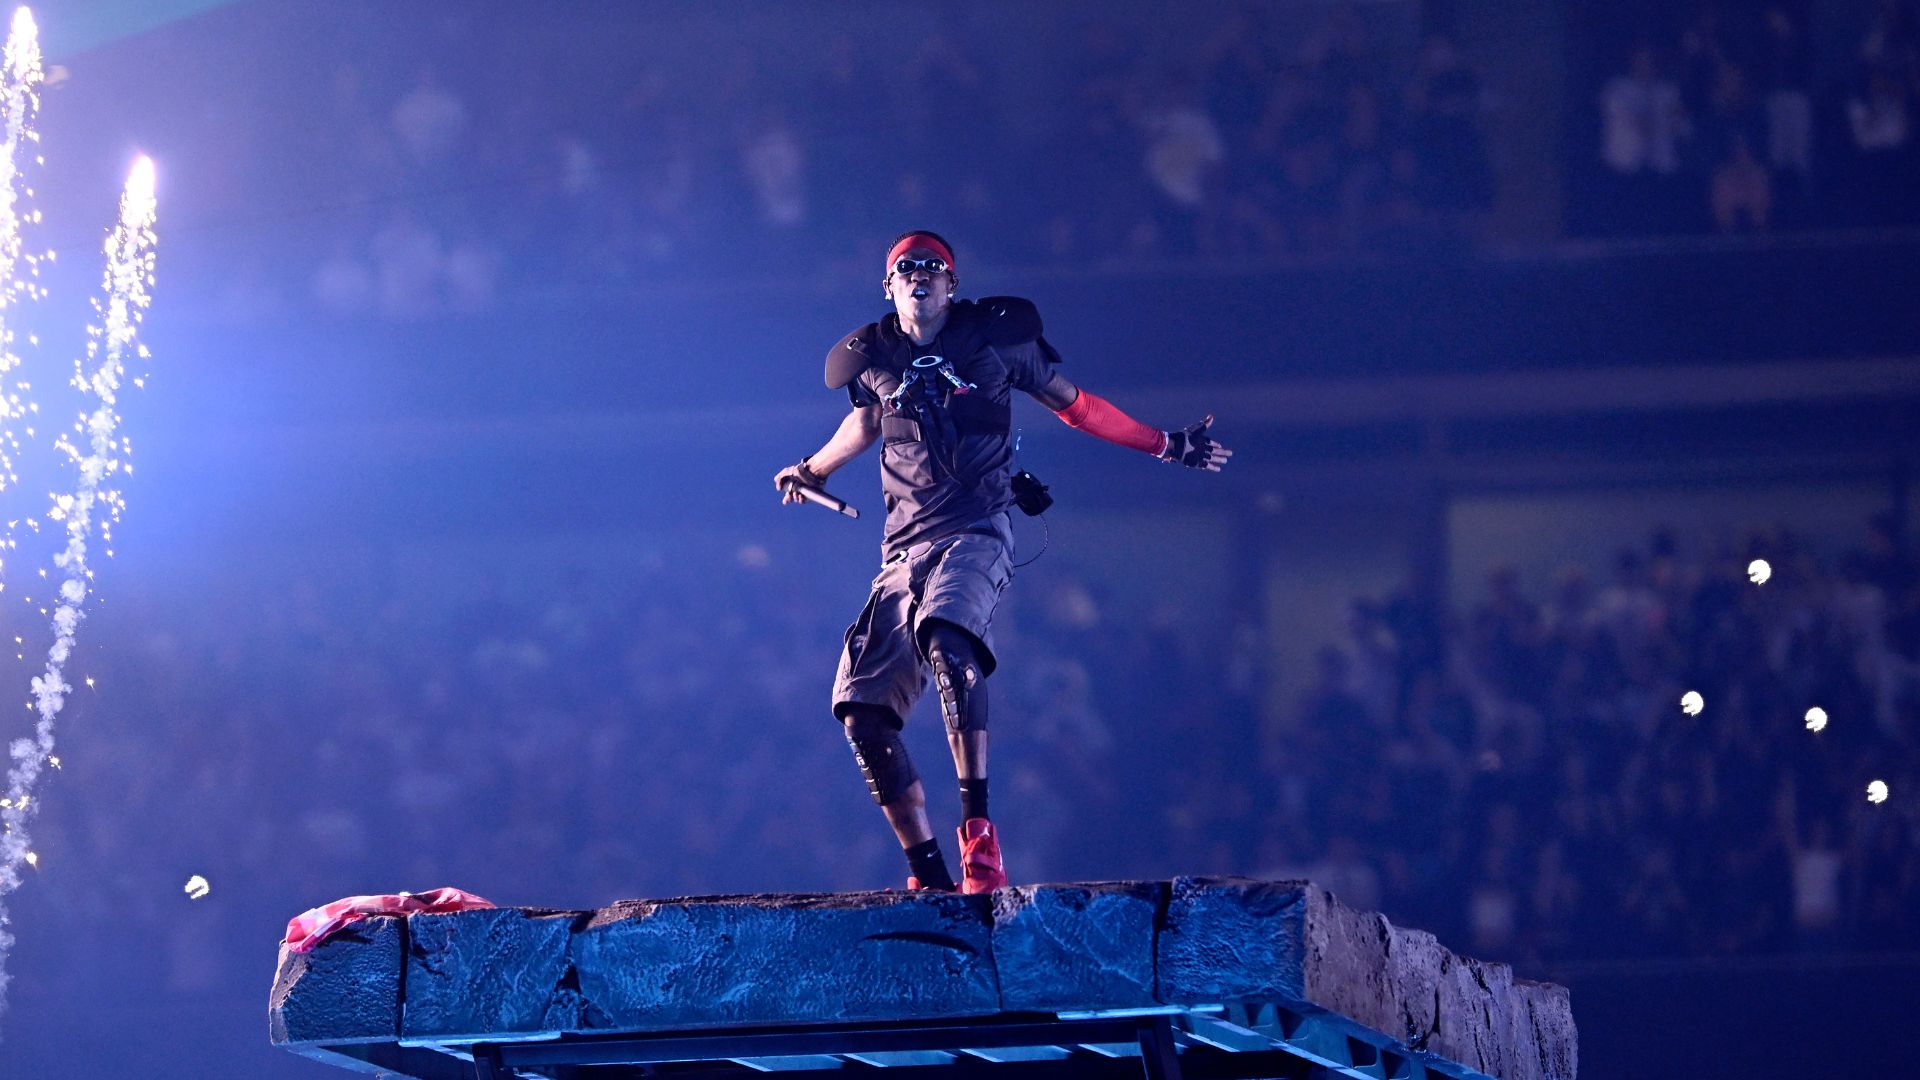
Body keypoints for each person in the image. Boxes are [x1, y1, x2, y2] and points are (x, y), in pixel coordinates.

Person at [773, 230, 1231, 893]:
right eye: (906, 268)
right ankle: (927, 875)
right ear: (888, 285)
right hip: (902, 549)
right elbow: (867, 423)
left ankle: (979, 840)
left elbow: (1078, 406)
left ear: (952, 284)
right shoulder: (870, 355)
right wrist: (811, 468)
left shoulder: (996, 339)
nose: (919, 275)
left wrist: (1164, 444)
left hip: (976, 530)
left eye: (932, 267)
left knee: (948, 637)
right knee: (861, 709)